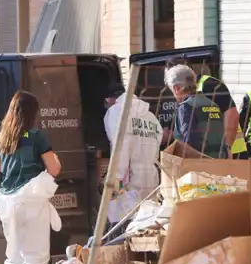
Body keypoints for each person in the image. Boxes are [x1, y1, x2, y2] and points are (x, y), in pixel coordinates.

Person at [0, 91, 61, 264]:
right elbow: (54, 169)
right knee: (36, 256)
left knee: (14, 256)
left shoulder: (5, 137)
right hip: (30, 200)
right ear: (32, 112)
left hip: (6, 202)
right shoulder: (35, 135)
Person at [102, 87, 162, 226]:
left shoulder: (116, 111)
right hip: (150, 178)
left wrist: (115, 177)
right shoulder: (150, 116)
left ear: (110, 100)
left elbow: (121, 145)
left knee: (125, 226)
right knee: (146, 224)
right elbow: (157, 142)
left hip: (129, 180)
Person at [166, 64, 238, 159]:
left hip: (201, 167)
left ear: (176, 88)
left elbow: (190, 145)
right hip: (220, 164)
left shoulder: (186, 107)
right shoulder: (213, 104)